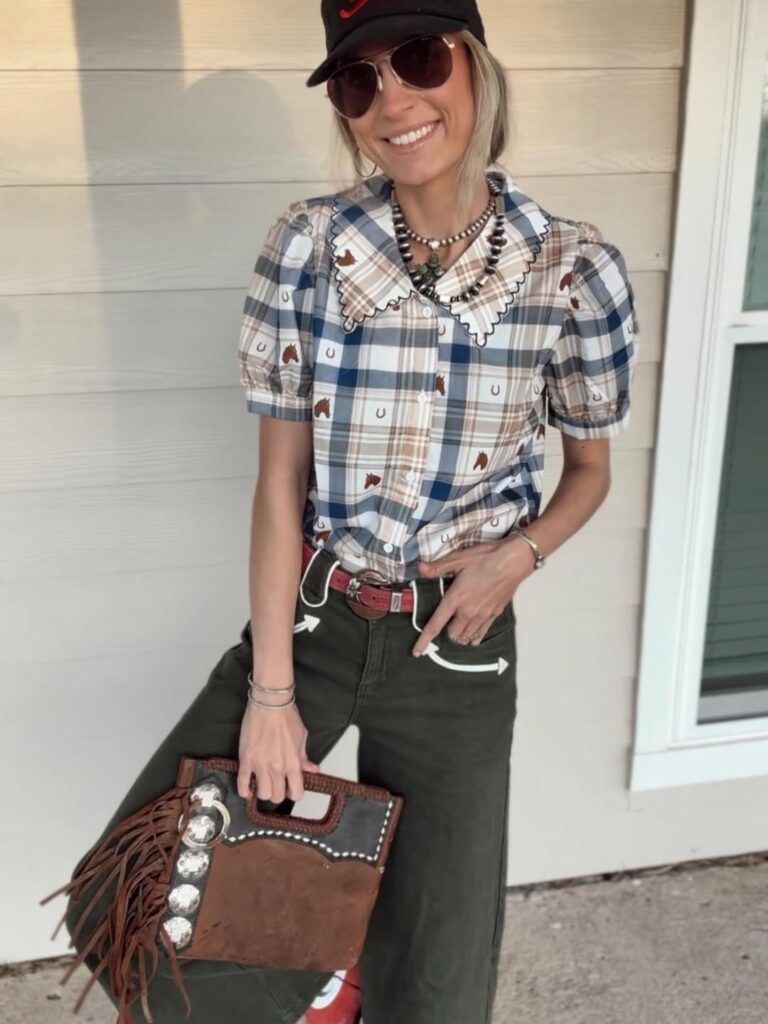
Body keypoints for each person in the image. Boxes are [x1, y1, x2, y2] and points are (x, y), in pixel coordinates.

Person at [62, 2, 639, 1023]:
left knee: (442, 981)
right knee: (134, 893)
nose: (395, 100)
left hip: (455, 642)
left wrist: (521, 555)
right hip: (320, 616)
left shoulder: (572, 269)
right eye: (359, 80)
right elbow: (279, 482)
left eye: (419, 59)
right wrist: (272, 693)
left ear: (476, 68)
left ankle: (373, 978)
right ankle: (324, 972)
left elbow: (589, 469)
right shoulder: (311, 246)